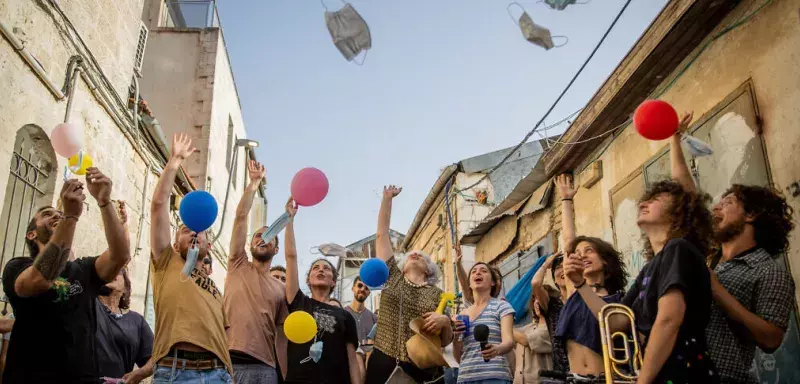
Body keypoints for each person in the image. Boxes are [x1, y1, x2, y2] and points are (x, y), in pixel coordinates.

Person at [669, 112, 796, 384]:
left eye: (727, 202)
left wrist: (717, 290)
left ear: (751, 215)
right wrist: (674, 139)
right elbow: (686, 192)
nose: (715, 207)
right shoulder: (709, 255)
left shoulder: (770, 272)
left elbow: (771, 339)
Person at [565, 175, 719, 383]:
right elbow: (616, 321)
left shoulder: (678, 248)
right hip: (663, 370)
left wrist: (644, 380)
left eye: (655, 199)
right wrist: (580, 284)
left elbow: (668, 320)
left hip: (684, 369)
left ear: (679, 212)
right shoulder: (650, 267)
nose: (643, 203)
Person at [1, 167, 130, 383]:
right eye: (46, 215)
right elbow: (40, 279)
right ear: (31, 234)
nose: (55, 215)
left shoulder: (83, 268)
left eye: (58, 213)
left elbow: (119, 256)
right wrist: (69, 216)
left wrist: (104, 202)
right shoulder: (17, 267)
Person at [148, 133, 232, 383]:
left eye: (200, 231)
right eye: (186, 229)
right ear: (175, 243)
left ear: (209, 245)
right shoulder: (166, 261)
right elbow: (158, 206)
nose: (194, 231)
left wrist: (230, 374)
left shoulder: (216, 291)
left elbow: (222, 338)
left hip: (217, 373)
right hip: (174, 371)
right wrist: (174, 160)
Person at [366, 186, 454, 384]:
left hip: (424, 367)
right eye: (410, 256)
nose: (416, 254)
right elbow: (381, 235)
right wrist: (387, 199)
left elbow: (446, 341)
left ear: (428, 270)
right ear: (403, 268)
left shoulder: (438, 294)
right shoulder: (392, 277)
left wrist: (445, 322)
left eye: (422, 257)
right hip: (385, 361)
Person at [551, 174, 628, 378]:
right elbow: (569, 240)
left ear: (605, 261)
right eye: (579, 253)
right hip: (574, 379)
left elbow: (610, 321)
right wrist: (566, 200)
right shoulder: (572, 289)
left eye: (589, 251)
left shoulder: (617, 300)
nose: (582, 256)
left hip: (606, 379)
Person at [222, 160, 288, 384]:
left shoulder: (281, 289)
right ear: (249, 245)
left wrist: (285, 376)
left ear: (276, 248)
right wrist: (254, 183)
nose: (262, 238)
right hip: (226, 364)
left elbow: (281, 338)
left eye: (268, 235)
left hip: (265, 369)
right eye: (257, 236)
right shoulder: (237, 264)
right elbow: (240, 218)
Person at [282, 198, 360, 384]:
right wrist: (289, 219)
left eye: (326, 268)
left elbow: (352, 359)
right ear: (308, 279)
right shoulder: (298, 301)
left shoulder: (345, 316)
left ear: (333, 281)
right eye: (316, 268)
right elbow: (291, 257)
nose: (320, 270)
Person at [453, 263, 515, 384]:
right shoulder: (463, 314)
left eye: (483, 271)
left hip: (495, 376)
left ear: (492, 283)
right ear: (469, 284)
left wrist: (497, 349)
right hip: (466, 378)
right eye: (474, 271)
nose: (478, 273)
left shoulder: (502, 306)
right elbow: (458, 357)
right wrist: (455, 338)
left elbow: (509, 342)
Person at [96, 267, 154, 383]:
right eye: (110, 269)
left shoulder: (137, 321)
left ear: (125, 287)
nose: (113, 273)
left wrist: (139, 374)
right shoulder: (88, 307)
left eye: (120, 271)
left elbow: (156, 357)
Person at [529, 250, 568, 374]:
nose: (563, 270)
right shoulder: (552, 304)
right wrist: (546, 264)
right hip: (563, 371)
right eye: (558, 268)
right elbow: (535, 283)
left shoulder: (585, 299)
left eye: (566, 266)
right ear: (554, 280)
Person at [512, 294, 553, 384]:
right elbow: (513, 334)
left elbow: (525, 340)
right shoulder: (529, 327)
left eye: (540, 299)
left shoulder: (551, 328)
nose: (537, 303)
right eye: (534, 299)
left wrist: (504, 325)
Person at [346, 276, 378, 346]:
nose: (363, 289)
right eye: (359, 286)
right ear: (353, 288)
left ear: (369, 293)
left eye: (366, 288)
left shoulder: (374, 319)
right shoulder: (342, 314)